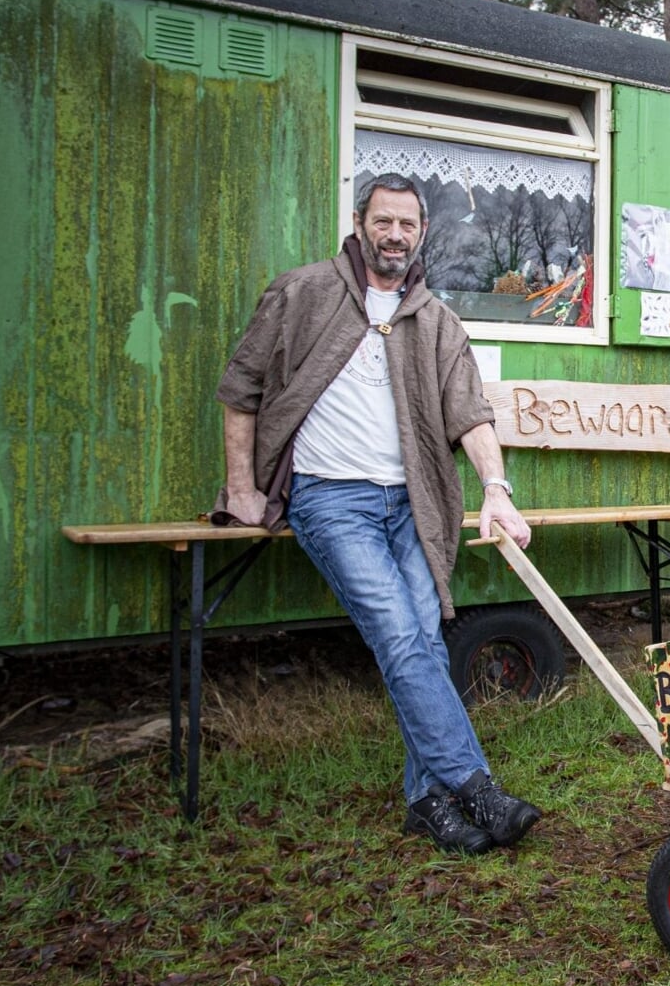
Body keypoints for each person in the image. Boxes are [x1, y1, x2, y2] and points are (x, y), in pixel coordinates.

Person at [214, 173, 541, 856]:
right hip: (331, 498)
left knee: (420, 633)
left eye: (408, 225)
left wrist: (496, 488)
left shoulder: (436, 319)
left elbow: (471, 415)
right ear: (360, 221)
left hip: (413, 503)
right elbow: (240, 387)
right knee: (398, 631)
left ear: (423, 232)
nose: (395, 235)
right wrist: (240, 488)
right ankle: (474, 785)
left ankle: (426, 798)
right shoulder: (301, 292)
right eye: (383, 221)